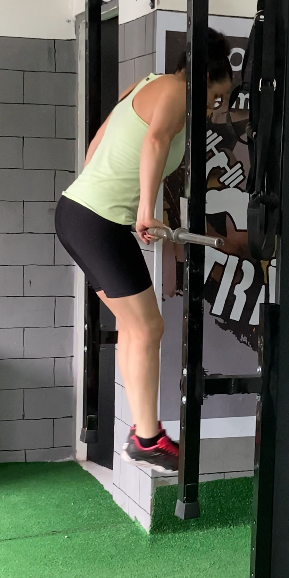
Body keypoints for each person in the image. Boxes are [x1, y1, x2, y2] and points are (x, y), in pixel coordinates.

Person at [55, 29, 234, 473]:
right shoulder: (176, 91)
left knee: (137, 327)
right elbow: (154, 143)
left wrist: (111, 197)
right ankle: (147, 439)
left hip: (80, 214)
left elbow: (97, 142)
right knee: (148, 326)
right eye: (216, 96)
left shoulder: (146, 84)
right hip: (96, 222)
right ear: (203, 77)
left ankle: (144, 434)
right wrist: (144, 211)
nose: (215, 107)